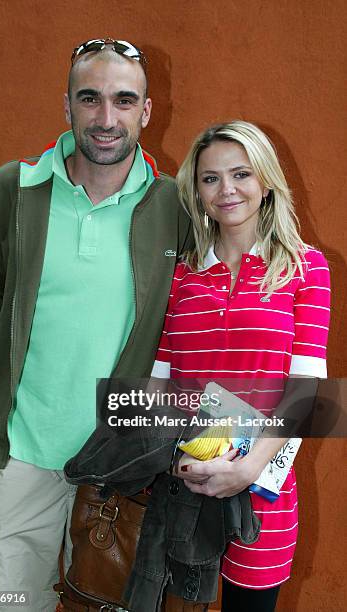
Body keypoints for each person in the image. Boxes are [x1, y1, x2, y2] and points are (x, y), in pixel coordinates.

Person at [0, 38, 192, 611]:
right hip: (21, 455)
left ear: (147, 112)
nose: (106, 117)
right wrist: (2, 409)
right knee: (7, 602)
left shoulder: (176, 205)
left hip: (118, 463)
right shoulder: (13, 190)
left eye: (124, 101)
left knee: (103, 605)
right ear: (67, 106)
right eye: (89, 98)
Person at [151, 120, 331, 611]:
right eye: (210, 178)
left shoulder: (306, 266)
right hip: (184, 480)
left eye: (241, 174)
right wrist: (179, 463)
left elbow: (308, 389)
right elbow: (159, 380)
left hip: (264, 492)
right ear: (196, 189)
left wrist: (248, 469)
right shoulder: (180, 273)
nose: (226, 190)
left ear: (266, 181)